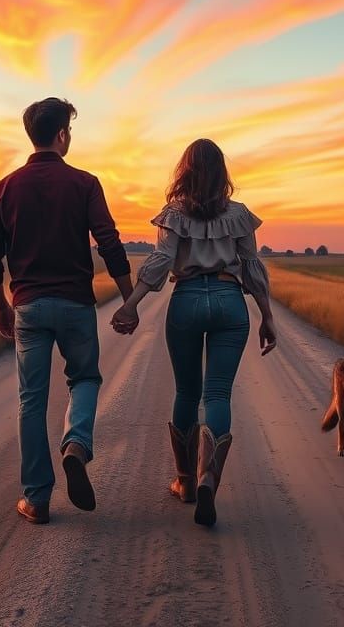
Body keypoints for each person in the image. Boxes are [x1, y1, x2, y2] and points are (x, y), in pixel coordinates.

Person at [0, 97, 133, 525]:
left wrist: (0, 306)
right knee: (84, 377)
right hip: (76, 305)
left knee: (31, 399)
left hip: (27, 306)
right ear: (62, 134)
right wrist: (129, 298)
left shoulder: (4, 188)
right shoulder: (84, 183)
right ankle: (76, 445)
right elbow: (109, 242)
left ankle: (36, 498)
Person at [111, 138, 276, 527]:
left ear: (185, 171)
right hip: (229, 300)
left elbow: (161, 261)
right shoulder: (239, 215)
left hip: (185, 299)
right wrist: (267, 315)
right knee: (217, 393)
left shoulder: (173, 214)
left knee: (187, 391)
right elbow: (252, 268)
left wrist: (131, 302)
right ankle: (208, 477)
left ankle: (185, 481)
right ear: (222, 173)